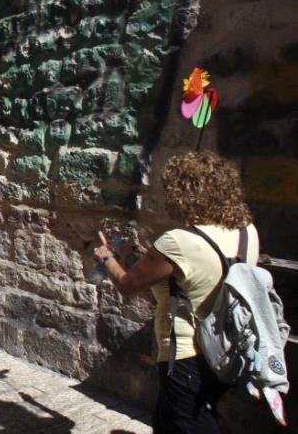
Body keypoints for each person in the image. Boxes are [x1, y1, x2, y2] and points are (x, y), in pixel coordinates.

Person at [90, 151, 259, 434]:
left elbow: (128, 285)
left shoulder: (179, 242)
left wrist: (107, 258)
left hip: (186, 353)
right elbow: (200, 274)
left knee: (193, 423)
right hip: (227, 346)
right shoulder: (247, 231)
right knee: (169, 420)